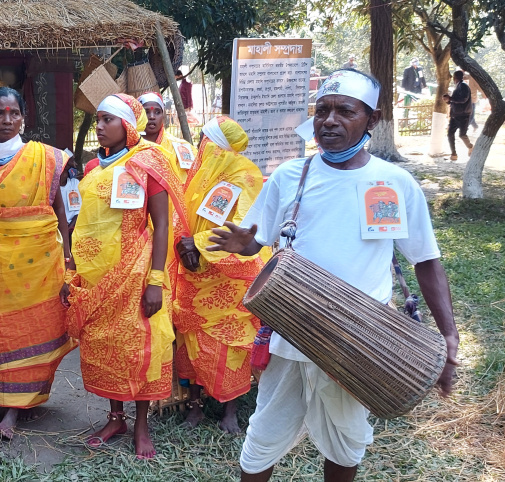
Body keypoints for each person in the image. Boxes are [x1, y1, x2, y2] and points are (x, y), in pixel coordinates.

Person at [208, 69, 459, 482]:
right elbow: (260, 238)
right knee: (264, 436)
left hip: (359, 338)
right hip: (292, 335)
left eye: (345, 110)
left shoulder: (394, 183)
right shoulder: (291, 176)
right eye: (322, 110)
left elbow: (426, 260)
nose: (329, 120)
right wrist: (246, 245)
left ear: (371, 120)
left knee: (346, 441)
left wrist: (447, 333)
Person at [62, 93, 184, 459]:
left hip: (136, 271)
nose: (98, 127)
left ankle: (141, 425)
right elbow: (83, 222)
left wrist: (156, 281)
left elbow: (161, 225)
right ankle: (115, 418)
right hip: (97, 276)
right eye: (97, 120)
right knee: (106, 347)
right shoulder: (91, 168)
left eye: (106, 120)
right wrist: (73, 268)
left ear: (126, 126)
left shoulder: (148, 162)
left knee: (140, 348)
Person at [0, 86, 77, 439]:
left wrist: (68, 255)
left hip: (40, 261)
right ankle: (1, 398)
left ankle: (16, 408)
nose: (7, 120)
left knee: (38, 327)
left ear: (23, 119)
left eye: (14, 113)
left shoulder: (45, 158)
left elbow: (59, 210)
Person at [171, 116, 270, 433]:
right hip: (193, 273)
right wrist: (183, 246)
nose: (202, 147)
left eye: (206, 141)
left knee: (231, 347)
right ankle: (195, 405)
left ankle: (230, 411)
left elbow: (242, 230)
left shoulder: (246, 177)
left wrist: (198, 243)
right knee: (193, 343)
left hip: (231, 278)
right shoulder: (199, 177)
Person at [138, 91, 194, 183]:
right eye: (146, 112)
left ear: (163, 116)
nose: (152, 117)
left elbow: (193, 180)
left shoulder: (179, 147)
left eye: (157, 112)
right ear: (138, 115)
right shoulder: (128, 146)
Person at [443, 70, 473, 161]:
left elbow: (463, 99)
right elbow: (455, 102)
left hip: (463, 115)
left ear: (455, 78)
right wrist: (448, 100)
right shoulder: (459, 86)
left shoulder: (463, 86)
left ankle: (470, 147)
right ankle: (453, 154)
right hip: (455, 115)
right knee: (450, 134)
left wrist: (451, 98)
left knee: (462, 135)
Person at [59, 159, 82, 234]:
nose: (75, 164)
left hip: (72, 228)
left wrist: (68, 229)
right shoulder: (51, 186)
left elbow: (78, 212)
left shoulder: (74, 184)